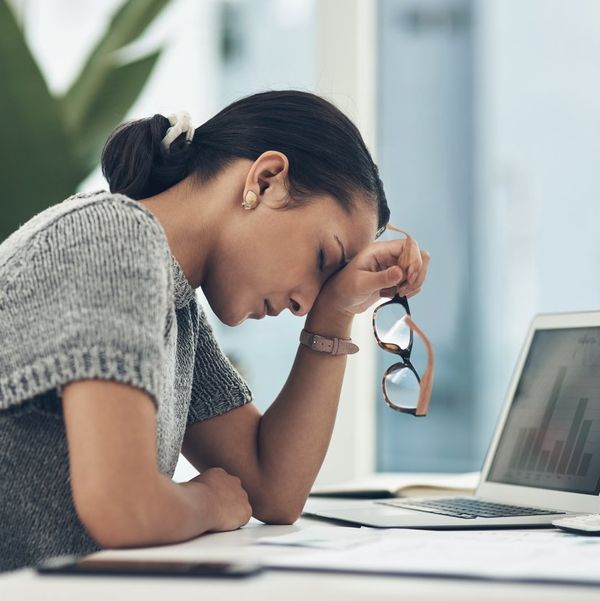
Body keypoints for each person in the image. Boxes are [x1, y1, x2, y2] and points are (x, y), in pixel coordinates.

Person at [0, 90, 430, 572]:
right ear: (266, 180)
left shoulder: (176, 307)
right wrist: (207, 501)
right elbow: (122, 509)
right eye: (322, 259)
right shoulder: (115, 238)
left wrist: (334, 312)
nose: (301, 302)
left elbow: (272, 491)